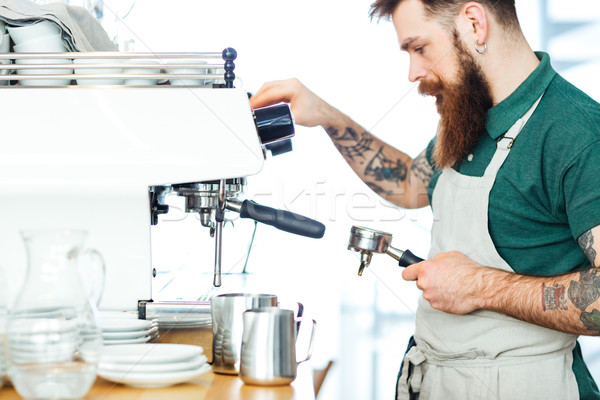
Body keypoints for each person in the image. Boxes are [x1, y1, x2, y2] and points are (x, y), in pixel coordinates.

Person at [250, 0, 600, 398]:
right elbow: (408, 183)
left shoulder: (579, 133)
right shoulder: (473, 113)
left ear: (473, 23)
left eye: (420, 49)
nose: (413, 72)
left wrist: (480, 287)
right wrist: (325, 115)